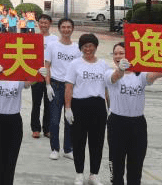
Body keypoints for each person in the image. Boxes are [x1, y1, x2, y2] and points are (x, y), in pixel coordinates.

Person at [105, 42, 162, 185]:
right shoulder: (108, 73)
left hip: (138, 124)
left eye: (122, 53)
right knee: (117, 166)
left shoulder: (140, 74)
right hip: (117, 123)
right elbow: (115, 77)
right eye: (116, 53)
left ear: (130, 54)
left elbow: (152, 76)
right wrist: (120, 69)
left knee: (136, 166)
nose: (118, 56)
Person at [0, 62, 40, 185]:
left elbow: (27, 83)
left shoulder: (17, 74)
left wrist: (37, 74)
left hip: (14, 121)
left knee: (11, 160)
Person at [64, 33, 108, 185]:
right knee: (79, 141)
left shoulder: (103, 64)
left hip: (98, 106)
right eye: (84, 46)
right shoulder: (75, 64)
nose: (88, 49)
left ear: (96, 47)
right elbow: (69, 87)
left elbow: (107, 89)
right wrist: (68, 108)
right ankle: (79, 173)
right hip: (79, 105)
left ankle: (94, 174)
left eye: (91, 46)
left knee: (97, 142)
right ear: (81, 48)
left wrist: (111, 107)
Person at [44, 17, 80, 160]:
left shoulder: (77, 48)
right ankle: (55, 148)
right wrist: (47, 85)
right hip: (56, 85)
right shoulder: (53, 46)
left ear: (72, 29)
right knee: (54, 119)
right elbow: (47, 66)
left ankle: (68, 148)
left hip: (71, 87)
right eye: (63, 27)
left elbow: (79, 67)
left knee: (69, 118)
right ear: (59, 29)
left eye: (68, 27)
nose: (66, 29)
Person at [31, 13, 57, 139]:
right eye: (41, 22)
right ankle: (35, 129)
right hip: (36, 75)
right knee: (36, 103)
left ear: (50, 24)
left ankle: (47, 129)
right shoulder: (33, 38)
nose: (43, 25)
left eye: (46, 23)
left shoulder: (55, 39)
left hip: (50, 75)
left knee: (49, 103)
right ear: (38, 24)